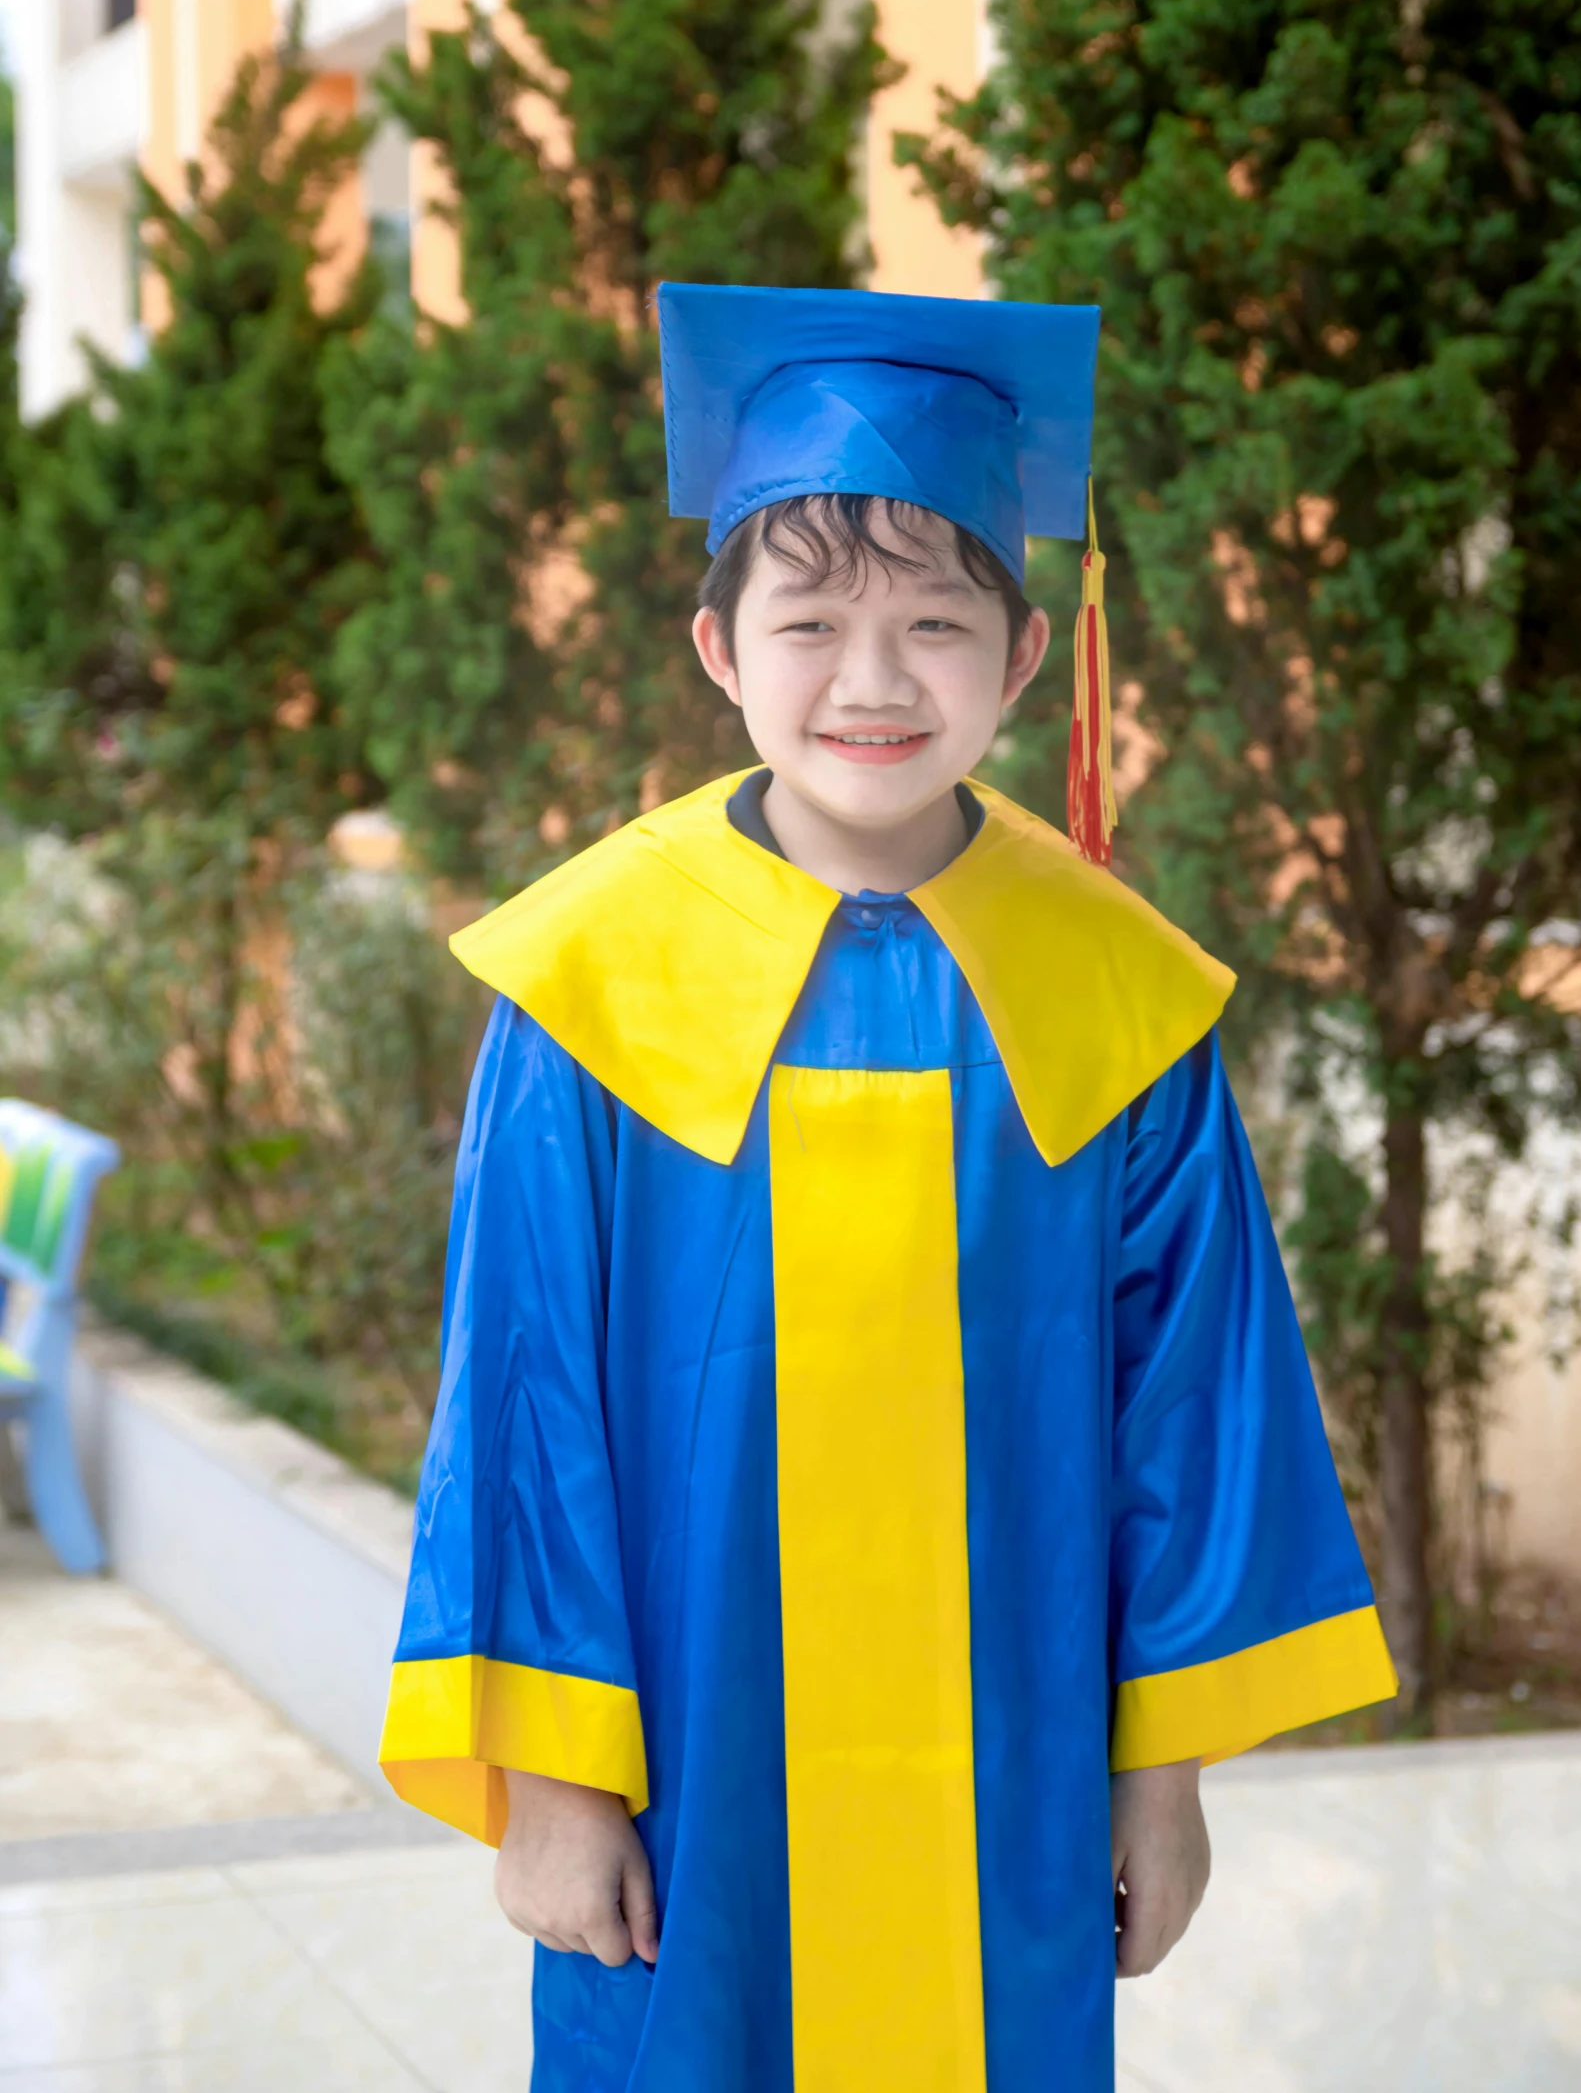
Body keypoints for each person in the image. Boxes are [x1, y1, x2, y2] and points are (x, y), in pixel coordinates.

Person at [379, 283, 1397, 2093]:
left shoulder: (1114, 994)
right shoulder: (597, 984)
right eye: (810, 619)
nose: (869, 679)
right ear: (716, 648)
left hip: (1002, 1771)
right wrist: (546, 1787)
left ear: (1017, 663)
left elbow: (1184, 1421)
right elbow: (523, 1409)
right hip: (693, 1765)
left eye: (935, 622)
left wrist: (1154, 1782)